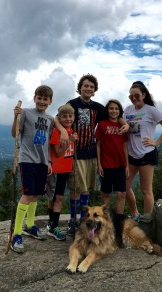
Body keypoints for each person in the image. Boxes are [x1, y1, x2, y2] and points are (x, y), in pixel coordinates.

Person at [54, 74, 129, 236]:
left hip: (91, 152)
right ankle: (73, 221)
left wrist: (125, 125)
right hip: (76, 152)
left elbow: (114, 114)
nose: (88, 89)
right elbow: (57, 117)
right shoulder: (72, 104)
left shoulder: (97, 107)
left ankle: (84, 220)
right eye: (86, 86)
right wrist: (62, 131)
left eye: (91, 87)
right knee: (76, 188)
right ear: (80, 87)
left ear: (94, 90)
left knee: (86, 189)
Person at [11, 85, 54, 253]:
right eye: (40, 98)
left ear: (50, 101)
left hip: (42, 161)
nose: (42, 101)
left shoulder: (50, 119)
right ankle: (16, 234)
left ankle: (29, 225)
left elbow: (49, 142)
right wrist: (16, 117)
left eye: (45, 99)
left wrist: (49, 161)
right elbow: (15, 133)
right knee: (27, 194)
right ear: (35, 97)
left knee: (36, 194)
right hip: (27, 159)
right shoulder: (26, 113)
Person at [124, 81, 162, 220]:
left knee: (146, 190)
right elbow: (124, 126)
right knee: (124, 187)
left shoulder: (151, 110)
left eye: (137, 95)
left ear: (144, 95)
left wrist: (156, 142)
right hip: (131, 153)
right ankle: (135, 213)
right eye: (131, 95)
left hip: (147, 153)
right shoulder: (128, 110)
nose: (134, 98)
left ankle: (147, 220)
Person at [95, 99, 129, 246]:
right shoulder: (102, 125)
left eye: (116, 109)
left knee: (122, 194)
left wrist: (127, 164)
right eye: (111, 109)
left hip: (121, 164)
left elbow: (125, 145)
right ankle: (105, 224)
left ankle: (119, 226)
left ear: (119, 111)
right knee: (106, 194)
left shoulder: (123, 126)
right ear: (107, 111)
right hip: (107, 164)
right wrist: (99, 164)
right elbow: (98, 145)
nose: (114, 111)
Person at [46, 104, 77, 241]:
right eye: (64, 116)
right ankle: (53, 226)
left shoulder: (72, 130)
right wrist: (70, 141)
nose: (68, 119)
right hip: (56, 170)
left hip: (65, 169)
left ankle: (51, 224)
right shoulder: (57, 132)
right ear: (59, 117)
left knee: (56, 198)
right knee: (55, 198)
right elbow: (58, 152)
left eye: (70, 116)